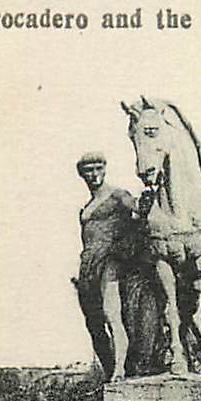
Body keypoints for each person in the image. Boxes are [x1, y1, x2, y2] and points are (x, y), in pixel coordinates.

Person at [71, 150, 142, 383]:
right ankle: (111, 369)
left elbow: (139, 211)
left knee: (112, 314)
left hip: (110, 260)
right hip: (88, 265)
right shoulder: (87, 206)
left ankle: (121, 369)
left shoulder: (117, 195)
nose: (93, 174)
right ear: (82, 175)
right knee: (93, 323)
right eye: (88, 171)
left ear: (105, 169)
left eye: (97, 168)